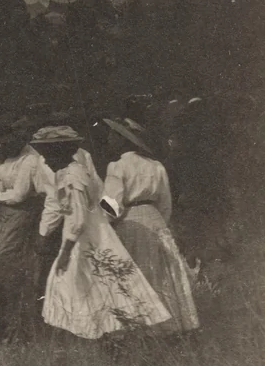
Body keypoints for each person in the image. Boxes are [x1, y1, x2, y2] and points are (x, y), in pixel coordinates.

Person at [31, 126, 171, 339]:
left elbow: (77, 219)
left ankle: (100, 330)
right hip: (92, 231)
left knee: (81, 281)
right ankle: (101, 330)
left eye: (48, 155)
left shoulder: (73, 175)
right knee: (95, 282)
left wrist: (66, 251)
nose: (45, 161)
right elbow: (100, 197)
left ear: (58, 152)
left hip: (84, 236)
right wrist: (108, 219)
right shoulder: (74, 171)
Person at [100, 118, 200, 334]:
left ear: (123, 140)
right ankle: (170, 326)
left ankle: (144, 328)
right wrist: (158, 222)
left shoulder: (117, 166)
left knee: (139, 272)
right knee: (163, 271)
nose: (108, 139)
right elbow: (166, 204)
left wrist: (99, 211)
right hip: (155, 220)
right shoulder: (156, 166)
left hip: (131, 222)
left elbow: (113, 207)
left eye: (112, 135)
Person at [0, 120, 49, 340]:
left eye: (9, 141)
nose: (4, 145)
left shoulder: (30, 160)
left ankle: (15, 323)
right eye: (1, 141)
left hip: (23, 214)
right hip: (5, 214)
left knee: (2, 263)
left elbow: (20, 194)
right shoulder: (5, 156)